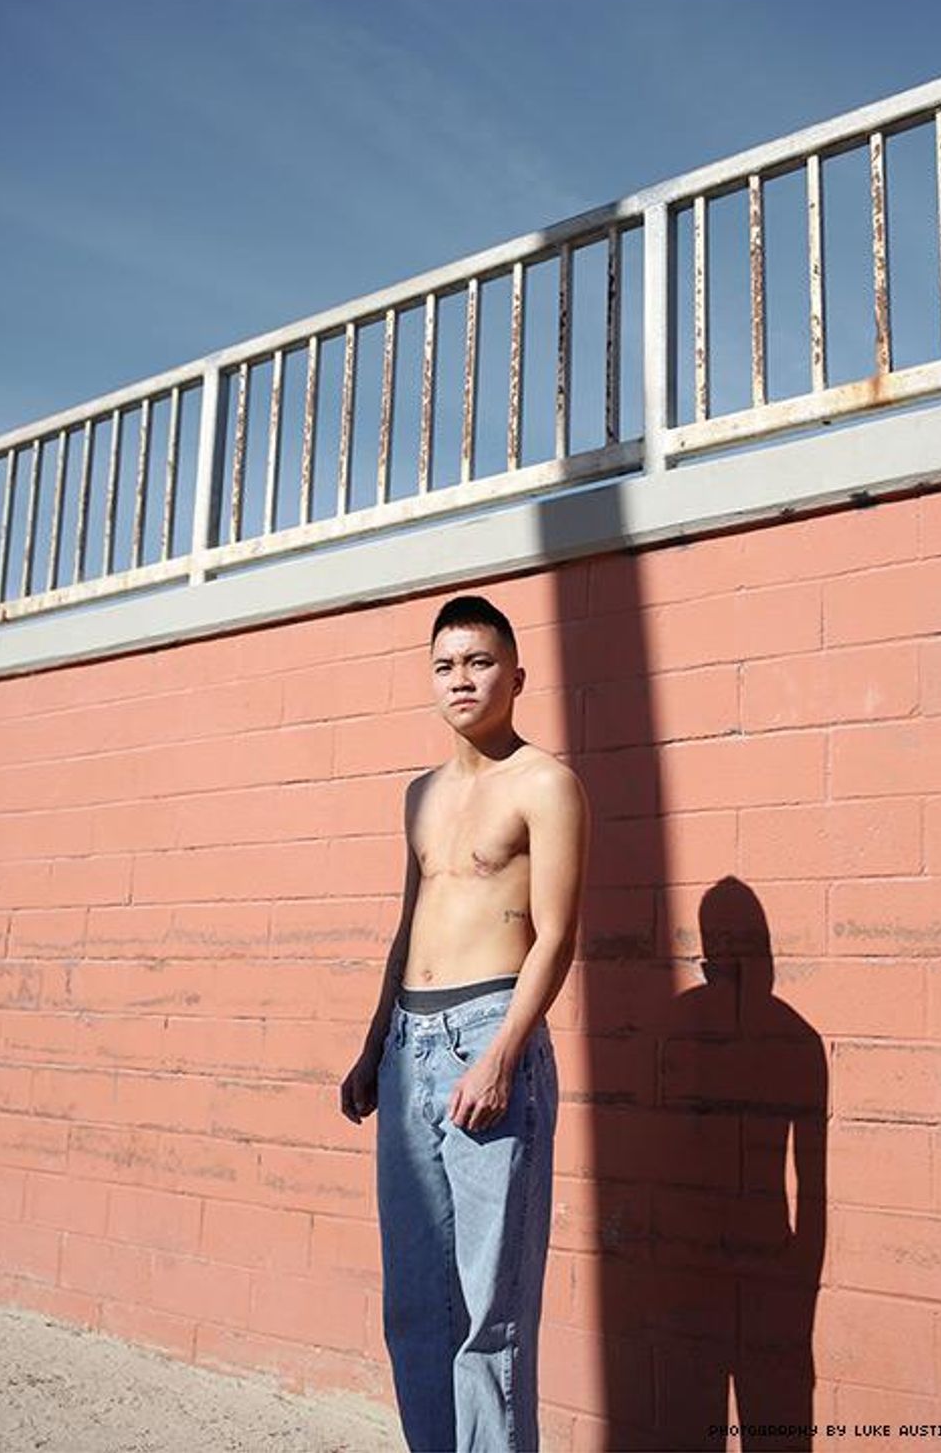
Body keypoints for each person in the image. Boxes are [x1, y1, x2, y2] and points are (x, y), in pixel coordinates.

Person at [340, 593, 589, 1453]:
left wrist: (502, 1055)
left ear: (516, 676)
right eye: (445, 665)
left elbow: (556, 935)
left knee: (491, 1313)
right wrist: (374, 1044)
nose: (462, 679)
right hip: (409, 1045)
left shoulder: (546, 784)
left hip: (490, 1034)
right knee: (415, 1304)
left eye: (480, 662)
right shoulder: (421, 793)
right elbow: (408, 925)